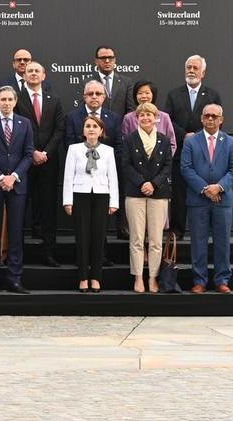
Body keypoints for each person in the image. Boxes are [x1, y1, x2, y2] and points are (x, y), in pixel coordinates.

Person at [0, 86, 34, 294]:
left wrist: (14, 177)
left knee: (16, 233)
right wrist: (1, 177)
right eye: (2, 99)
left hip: (17, 185)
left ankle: (14, 278)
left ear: (15, 101)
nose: (6, 103)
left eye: (10, 99)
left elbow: (28, 154)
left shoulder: (25, 123)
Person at [162, 55, 221, 235]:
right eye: (189, 67)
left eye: (195, 68)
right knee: (179, 193)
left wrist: (196, 136)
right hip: (179, 150)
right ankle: (177, 229)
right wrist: (184, 135)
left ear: (203, 72)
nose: (191, 71)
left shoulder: (212, 95)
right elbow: (168, 120)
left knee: (201, 189)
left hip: (204, 151)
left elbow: (215, 121)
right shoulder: (173, 94)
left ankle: (201, 230)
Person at [16, 61, 66, 267]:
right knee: (19, 209)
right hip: (22, 162)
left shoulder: (54, 100)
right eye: (30, 71)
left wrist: (45, 153)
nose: (33, 73)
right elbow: (15, 129)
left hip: (48, 162)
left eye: (37, 71)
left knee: (48, 209)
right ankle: (17, 253)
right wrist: (32, 152)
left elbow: (59, 130)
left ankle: (49, 253)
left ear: (44, 75)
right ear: (24, 75)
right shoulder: (16, 99)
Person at [180, 103, 233, 294]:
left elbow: (232, 170)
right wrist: (205, 189)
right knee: (198, 242)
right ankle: (199, 281)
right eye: (207, 116)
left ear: (221, 119)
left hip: (223, 201)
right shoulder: (191, 142)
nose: (210, 119)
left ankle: (222, 280)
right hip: (198, 200)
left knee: (223, 242)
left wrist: (218, 187)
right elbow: (185, 168)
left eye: (214, 116)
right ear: (202, 118)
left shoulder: (230, 142)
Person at [62, 115, 120, 292]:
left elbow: (113, 177)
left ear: (101, 131)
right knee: (82, 237)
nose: (91, 129)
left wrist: (114, 201)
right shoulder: (74, 149)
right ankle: (82, 278)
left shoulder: (108, 151)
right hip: (80, 194)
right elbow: (68, 176)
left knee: (97, 237)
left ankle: (96, 277)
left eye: (95, 126)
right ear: (83, 130)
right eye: (88, 126)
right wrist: (67, 201)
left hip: (101, 195)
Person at [119, 102, 172, 293]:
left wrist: (154, 184)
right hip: (135, 193)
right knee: (137, 238)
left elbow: (167, 166)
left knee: (156, 240)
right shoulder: (129, 139)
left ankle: (153, 278)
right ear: (137, 118)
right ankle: (139, 277)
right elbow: (125, 165)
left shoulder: (164, 140)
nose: (146, 118)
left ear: (156, 117)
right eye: (142, 115)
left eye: (149, 115)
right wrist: (142, 183)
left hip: (159, 194)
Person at [120, 81, 178, 156]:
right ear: (135, 96)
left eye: (147, 93)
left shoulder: (164, 117)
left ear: (153, 95)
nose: (144, 96)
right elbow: (124, 143)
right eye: (140, 93)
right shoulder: (128, 118)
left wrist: (164, 160)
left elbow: (172, 144)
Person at [90, 45, 135, 116]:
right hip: (97, 125)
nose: (107, 61)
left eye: (110, 58)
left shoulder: (126, 82)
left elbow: (131, 110)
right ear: (96, 61)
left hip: (121, 126)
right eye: (103, 58)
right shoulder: (87, 83)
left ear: (114, 60)